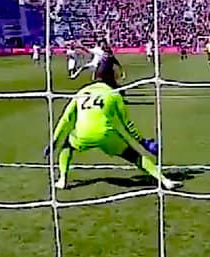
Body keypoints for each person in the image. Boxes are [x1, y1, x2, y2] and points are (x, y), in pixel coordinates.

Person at [45, 57, 180, 191]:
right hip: (107, 134)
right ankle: (165, 181)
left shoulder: (82, 92)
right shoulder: (114, 94)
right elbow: (127, 124)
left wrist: (54, 141)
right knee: (133, 156)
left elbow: (66, 119)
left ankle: (62, 180)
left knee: (66, 146)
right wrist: (143, 142)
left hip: (83, 134)